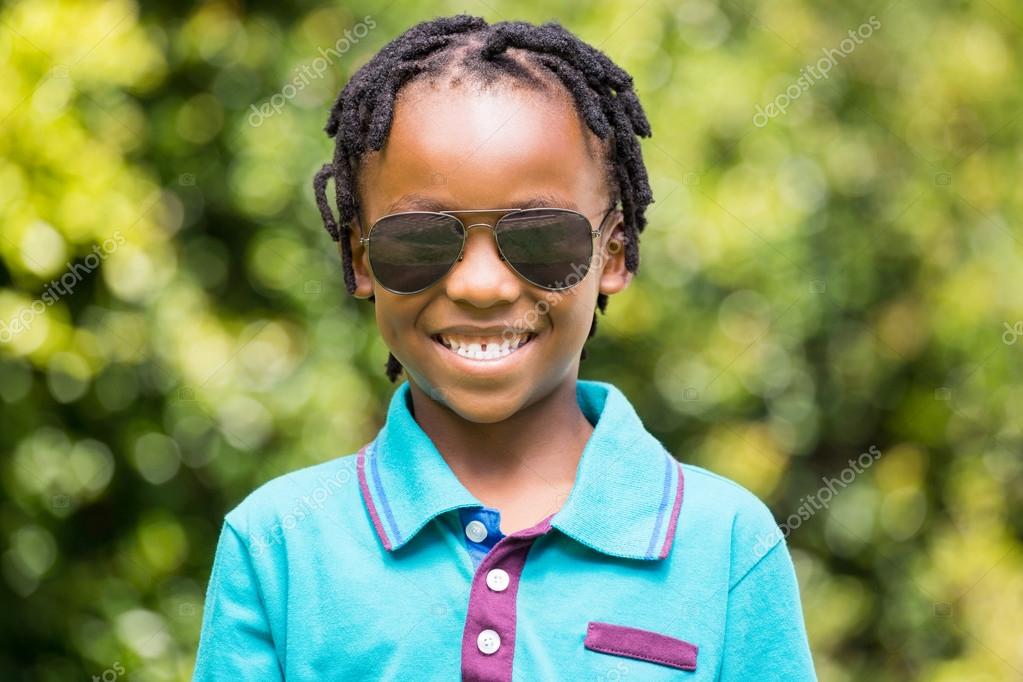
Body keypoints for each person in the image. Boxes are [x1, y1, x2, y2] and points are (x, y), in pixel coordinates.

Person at [193, 14, 817, 681]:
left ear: (614, 251)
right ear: (360, 259)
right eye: (420, 240)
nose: (481, 285)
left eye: (540, 237)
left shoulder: (723, 546)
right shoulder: (278, 547)